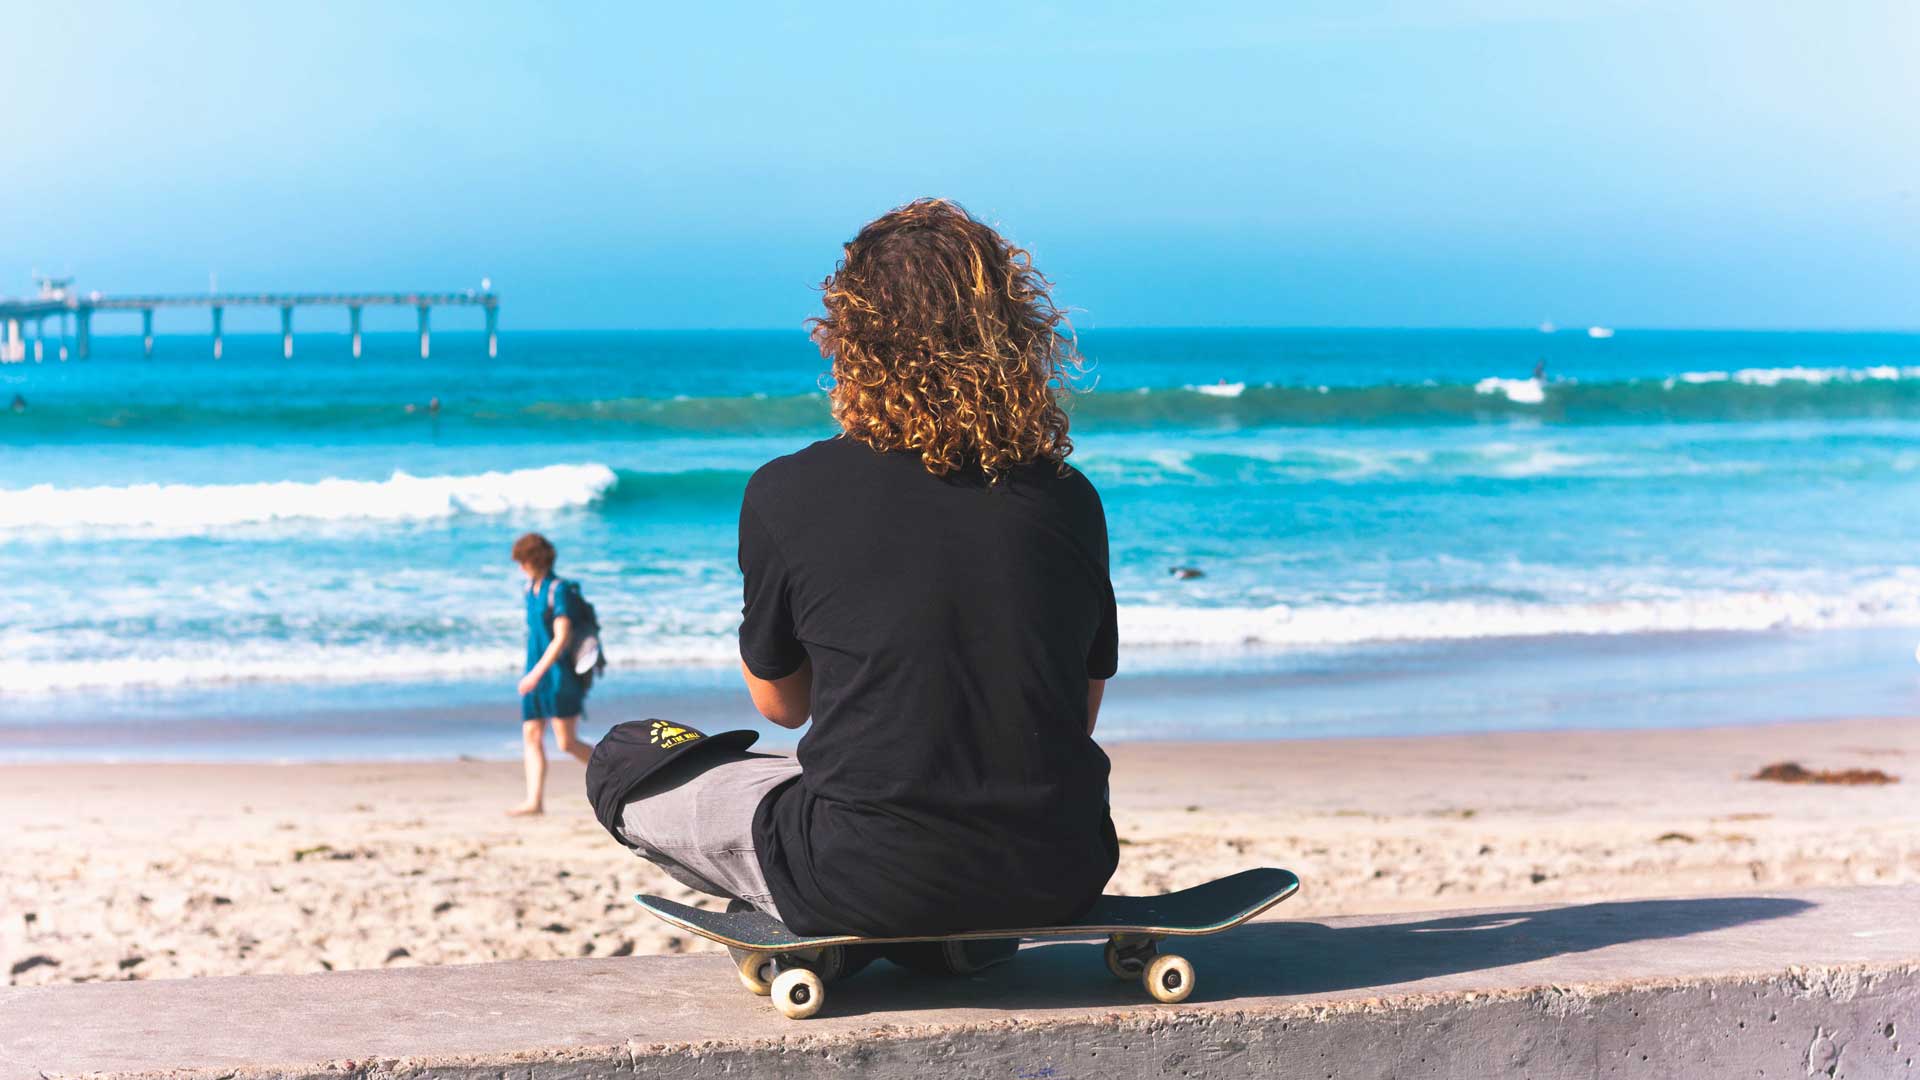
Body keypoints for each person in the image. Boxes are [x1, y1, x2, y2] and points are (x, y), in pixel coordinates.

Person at [587, 200, 1119, 971]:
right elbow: (1077, 713)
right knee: (860, 785)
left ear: (851, 341)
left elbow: (783, 705)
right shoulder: (1068, 497)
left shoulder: (786, 493)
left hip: (864, 871)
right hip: (1059, 865)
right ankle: (939, 938)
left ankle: (835, 917)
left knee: (624, 753)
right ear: (1011, 337)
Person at [509, 532, 595, 816]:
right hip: (534, 670)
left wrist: (536, 674)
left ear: (534, 560)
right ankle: (535, 801)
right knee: (532, 733)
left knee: (566, 742)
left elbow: (561, 638)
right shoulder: (529, 589)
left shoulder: (558, 590)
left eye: (523, 561)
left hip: (558, 674)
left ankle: (617, 772)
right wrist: (531, 673)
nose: (520, 566)